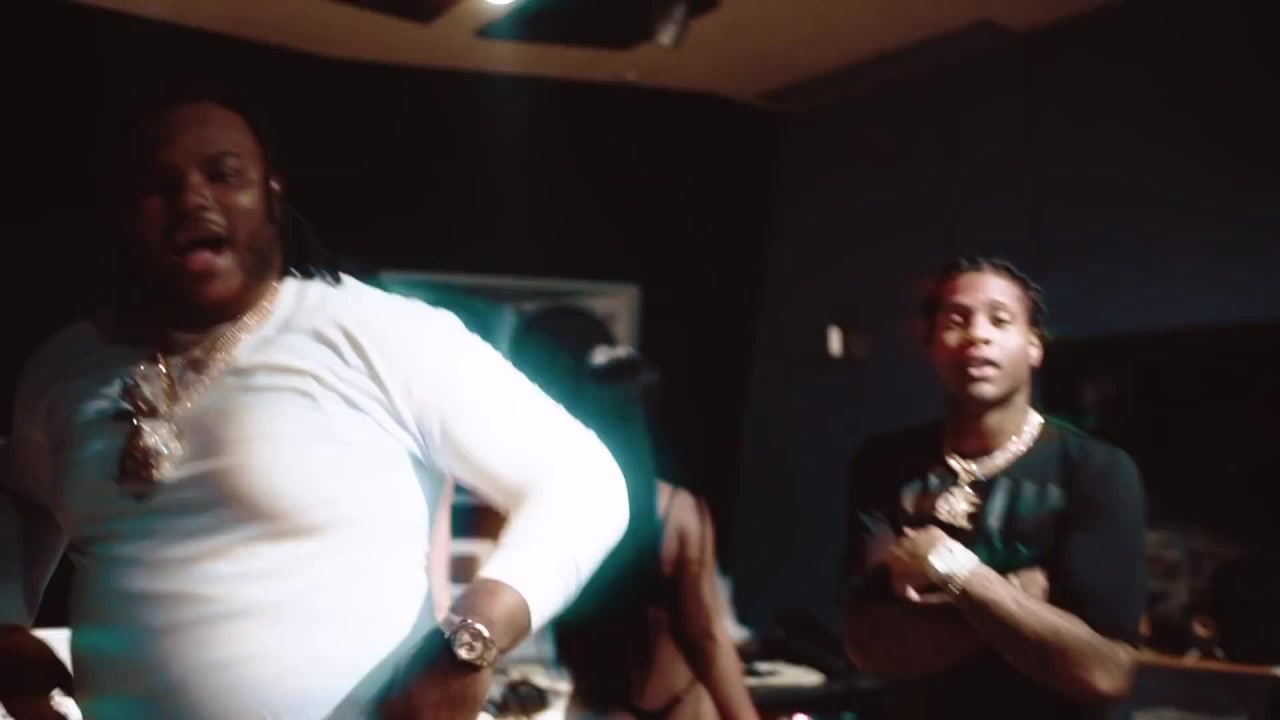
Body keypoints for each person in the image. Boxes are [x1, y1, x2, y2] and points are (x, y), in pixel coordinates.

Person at [0, 86, 629, 719]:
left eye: (223, 174)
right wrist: (6, 630)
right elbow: (21, 504)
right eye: (158, 184)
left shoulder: (372, 331)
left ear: (271, 194)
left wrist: (472, 640)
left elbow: (583, 480)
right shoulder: (64, 369)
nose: (192, 198)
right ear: (124, 211)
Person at [841, 256, 1146, 719]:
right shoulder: (884, 466)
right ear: (932, 345)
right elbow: (871, 647)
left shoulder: (1096, 471)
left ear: (1034, 346)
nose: (976, 335)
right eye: (956, 321)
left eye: (999, 320)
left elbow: (1104, 672)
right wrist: (1016, 596)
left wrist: (955, 569)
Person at [507, 306, 760, 720]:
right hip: (681, 710)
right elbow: (707, 640)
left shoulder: (539, 509)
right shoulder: (673, 511)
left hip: (596, 710)